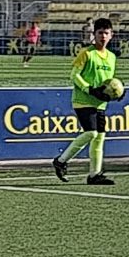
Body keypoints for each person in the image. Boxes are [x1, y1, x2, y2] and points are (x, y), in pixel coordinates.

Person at [53, 16, 119, 186]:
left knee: (100, 137)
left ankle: (94, 174)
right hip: (83, 100)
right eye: (100, 33)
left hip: (100, 103)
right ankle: (61, 161)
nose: (103, 36)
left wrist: (116, 94)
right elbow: (74, 75)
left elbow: (108, 82)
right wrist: (89, 89)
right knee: (92, 133)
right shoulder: (87, 53)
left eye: (106, 33)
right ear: (94, 34)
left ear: (111, 35)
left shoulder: (111, 57)